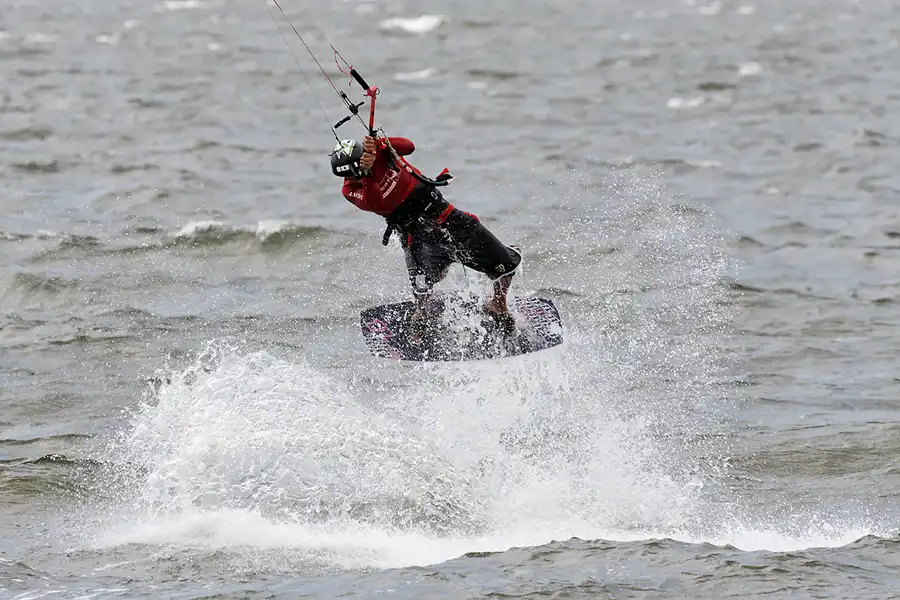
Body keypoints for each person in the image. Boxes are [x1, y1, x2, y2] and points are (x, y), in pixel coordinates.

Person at [329, 135, 521, 331]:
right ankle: (422, 313)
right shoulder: (350, 188)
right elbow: (376, 202)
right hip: (416, 235)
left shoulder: (379, 152)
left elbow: (409, 146)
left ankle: (498, 303)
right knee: (422, 287)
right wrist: (367, 175)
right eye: (350, 175)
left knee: (506, 264)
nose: (353, 178)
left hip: (445, 217)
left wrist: (380, 143)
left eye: (355, 172)